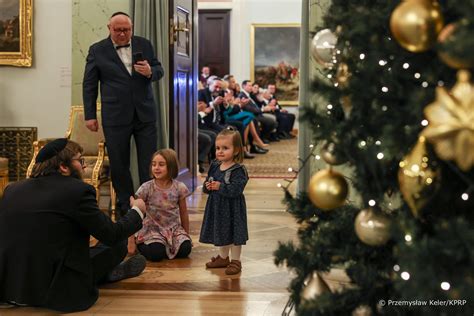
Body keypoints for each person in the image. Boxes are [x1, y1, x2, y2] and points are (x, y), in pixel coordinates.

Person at [0, 139, 147, 313]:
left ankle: (103, 274)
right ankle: (102, 274)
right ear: (63, 166)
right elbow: (111, 234)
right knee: (116, 245)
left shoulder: (12, 190)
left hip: (11, 288)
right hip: (54, 290)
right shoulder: (77, 191)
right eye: (80, 160)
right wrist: (137, 210)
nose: (84, 166)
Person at [82, 11, 164, 215]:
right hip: (115, 115)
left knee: (149, 162)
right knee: (119, 163)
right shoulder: (97, 50)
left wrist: (151, 72)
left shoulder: (144, 44)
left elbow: (159, 68)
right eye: (118, 30)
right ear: (109, 28)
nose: (122, 34)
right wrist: (90, 115)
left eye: (126, 30)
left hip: (144, 113)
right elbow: (89, 85)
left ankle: (149, 204)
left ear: (132, 28)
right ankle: (125, 207)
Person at [199, 128, 249, 275]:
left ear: (236, 150)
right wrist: (207, 186)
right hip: (217, 207)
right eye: (218, 148)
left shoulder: (238, 170)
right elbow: (208, 184)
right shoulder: (214, 165)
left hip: (232, 208)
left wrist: (220, 186)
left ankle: (236, 261)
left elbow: (237, 189)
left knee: (234, 234)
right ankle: (223, 258)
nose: (220, 151)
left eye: (225, 148)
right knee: (221, 232)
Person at [128, 149, 192, 262]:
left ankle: (167, 246)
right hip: (152, 229)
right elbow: (135, 214)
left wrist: (187, 236)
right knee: (156, 254)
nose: (156, 168)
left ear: (171, 167)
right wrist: (131, 241)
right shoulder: (146, 188)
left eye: (161, 165)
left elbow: (184, 213)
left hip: (173, 229)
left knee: (185, 249)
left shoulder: (179, 187)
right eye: (154, 164)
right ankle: (142, 244)